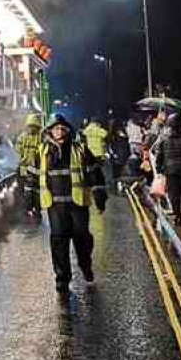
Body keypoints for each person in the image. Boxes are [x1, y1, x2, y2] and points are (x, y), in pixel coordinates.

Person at [38, 114, 107, 293]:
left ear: (68, 130)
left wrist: (100, 197)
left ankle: (85, 266)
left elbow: (95, 173)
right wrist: (30, 199)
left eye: (62, 128)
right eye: (55, 128)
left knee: (82, 239)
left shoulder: (80, 149)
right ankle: (62, 278)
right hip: (55, 206)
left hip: (78, 204)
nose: (59, 132)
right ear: (49, 131)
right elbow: (33, 175)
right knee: (58, 241)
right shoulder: (42, 151)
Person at [153, 114, 181, 228]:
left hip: (170, 169)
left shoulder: (164, 139)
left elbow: (159, 155)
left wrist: (159, 169)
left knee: (174, 194)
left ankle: (177, 216)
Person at [15, 114, 42, 218]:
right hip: (27, 170)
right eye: (30, 126)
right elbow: (17, 151)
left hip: (33, 169)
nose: (31, 128)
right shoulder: (24, 137)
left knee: (35, 192)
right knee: (28, 192)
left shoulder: (39, 136)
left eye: (33, 126)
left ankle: (35, 210)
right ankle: (30, 209)